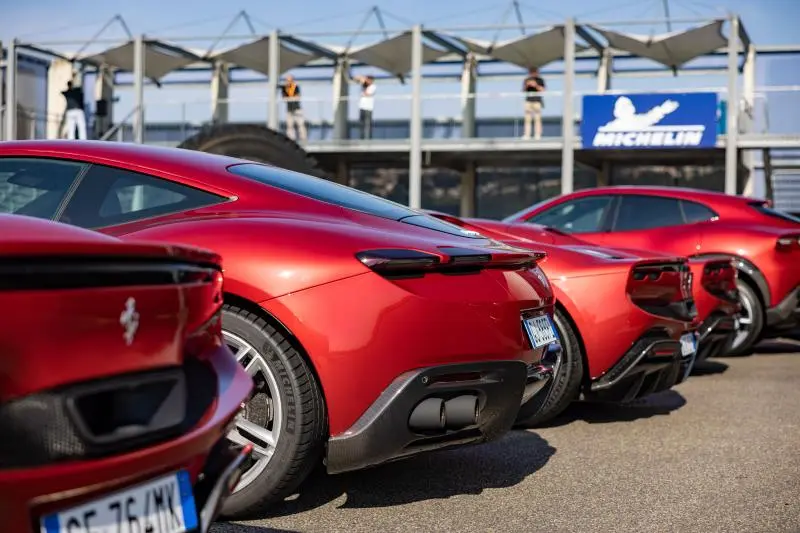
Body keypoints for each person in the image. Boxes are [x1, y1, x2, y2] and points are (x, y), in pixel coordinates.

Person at [278, 75, 307, 142]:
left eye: (290, 80)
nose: (288, 82)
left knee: (301, 124)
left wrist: (290, 98)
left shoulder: (295, 87)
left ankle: (304, 139)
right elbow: (284, 98)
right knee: (290, 125)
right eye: (287, 80)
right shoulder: (284, 88)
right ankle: (291, 139)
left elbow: (297, 97)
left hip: (297, 109)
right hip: (289, 109)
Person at [523, 67, 545, 140]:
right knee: (527, 119)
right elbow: (523, 90)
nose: (532, 74)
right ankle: (527, 135)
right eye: (531, 72)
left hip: (537, 101)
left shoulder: (540, 80)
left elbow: (543, 90)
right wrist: (527, 85)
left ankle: (537, 135)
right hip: (528, 101)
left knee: (537, 119)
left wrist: (535, 85)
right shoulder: (526, 80)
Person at [353, 75, 376, 139]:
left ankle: (369, 138)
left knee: (368, 125)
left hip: (369, 108)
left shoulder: (373, 87)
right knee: (361, 124)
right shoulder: (364, 85)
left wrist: (363, 83)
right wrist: (361, 78)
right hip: (362, 107)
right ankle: (361, 138)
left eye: (368, 80)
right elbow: (355, 79)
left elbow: (367, 93)